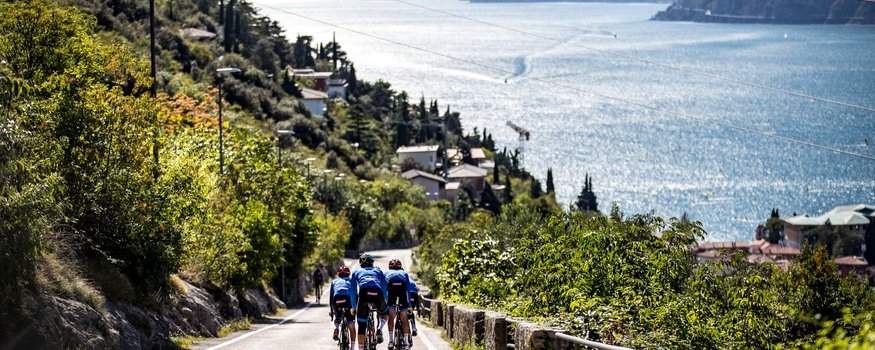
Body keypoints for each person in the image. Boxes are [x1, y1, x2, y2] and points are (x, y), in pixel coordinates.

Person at [351, 253, 388, 349]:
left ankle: (361, 348)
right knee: (386, 311)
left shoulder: (356, 272)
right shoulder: (378, 271)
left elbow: (353, 291)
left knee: (361, 326)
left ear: (360, 263)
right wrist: (384, 300)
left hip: (363, 295)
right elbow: (384, 288)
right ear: (372, 263)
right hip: (377, 294)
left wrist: (354, 307)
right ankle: (379, 328)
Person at [384, 258, 412, 349]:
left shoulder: (386, 273)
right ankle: (407, 343)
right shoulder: (404, 274)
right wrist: (409, 306)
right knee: (404, 318)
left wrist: (385, 302)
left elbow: (384, 289)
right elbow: (408, 289)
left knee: (391, 317)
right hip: (402, 291)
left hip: (391, 293)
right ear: (400, 267)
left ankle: (391, 341)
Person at [329, 266, 357, 347]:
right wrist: (355, 308)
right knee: (351, 326)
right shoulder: (351, 280)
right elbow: (356, 294)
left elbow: (331, 297)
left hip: (336, 299)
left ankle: (337, 328)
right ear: (348, 274)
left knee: (338, 317)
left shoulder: (334, 281)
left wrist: (331, 310)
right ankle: (352, 347)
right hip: (348, 299)